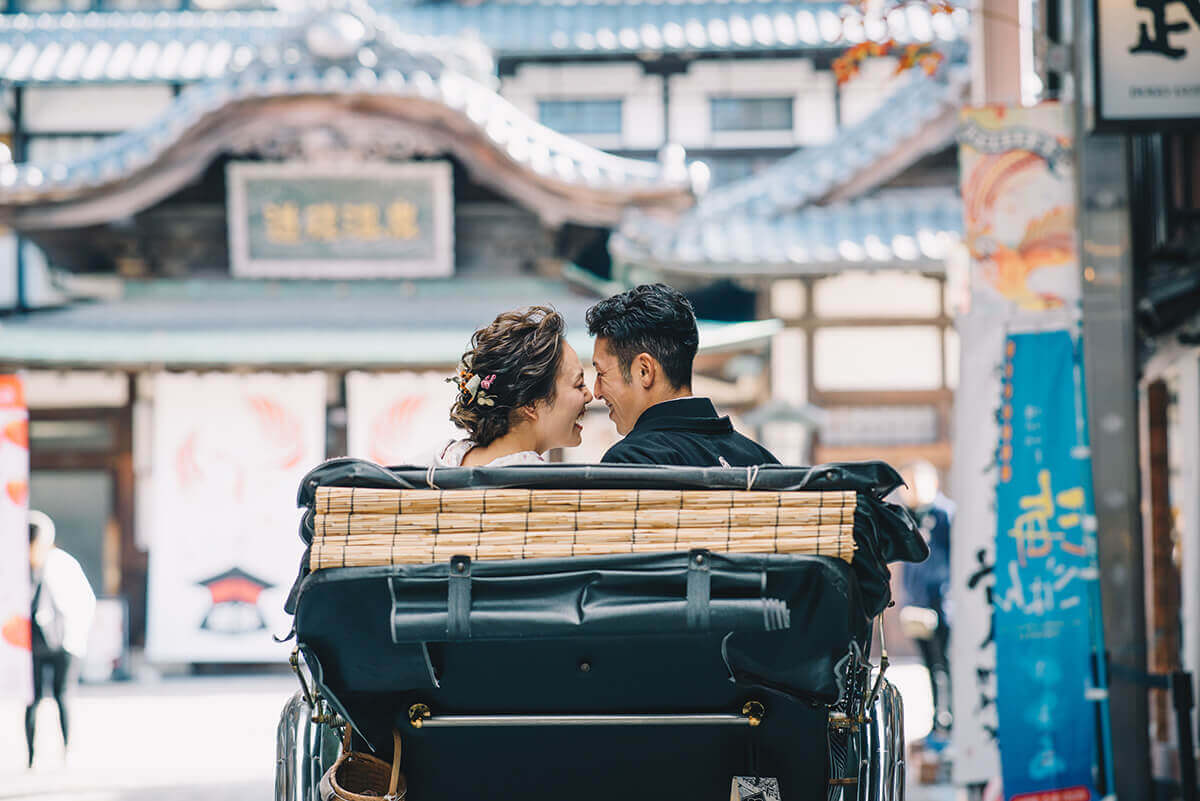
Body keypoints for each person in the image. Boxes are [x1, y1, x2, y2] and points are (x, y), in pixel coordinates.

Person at [585, 283, 778, 466]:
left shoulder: (631, 460)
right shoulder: (761, 459)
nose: (597, 392)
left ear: (644, 371)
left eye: (601, 373)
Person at [435, 305, 593, 467]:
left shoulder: (439, 462)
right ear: (531, 404)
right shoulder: (540, 485)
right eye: (579, 384)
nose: (590, 395)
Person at [26, 509, 96, 768]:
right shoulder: (54, 563)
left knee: (60, 694)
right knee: (35, 698)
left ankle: (65, 751)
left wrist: (73, 638)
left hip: (62, 641)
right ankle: (33, 757)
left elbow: (82, 603)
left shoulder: (57, 564)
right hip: (36, 642)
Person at [896, 460, 954, 740]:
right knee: (929, 666)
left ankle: (950, 717)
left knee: (946, 663)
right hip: (917, 604)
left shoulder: (945, 515)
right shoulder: (909, 516)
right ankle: (938, 718)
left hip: (943, 604)